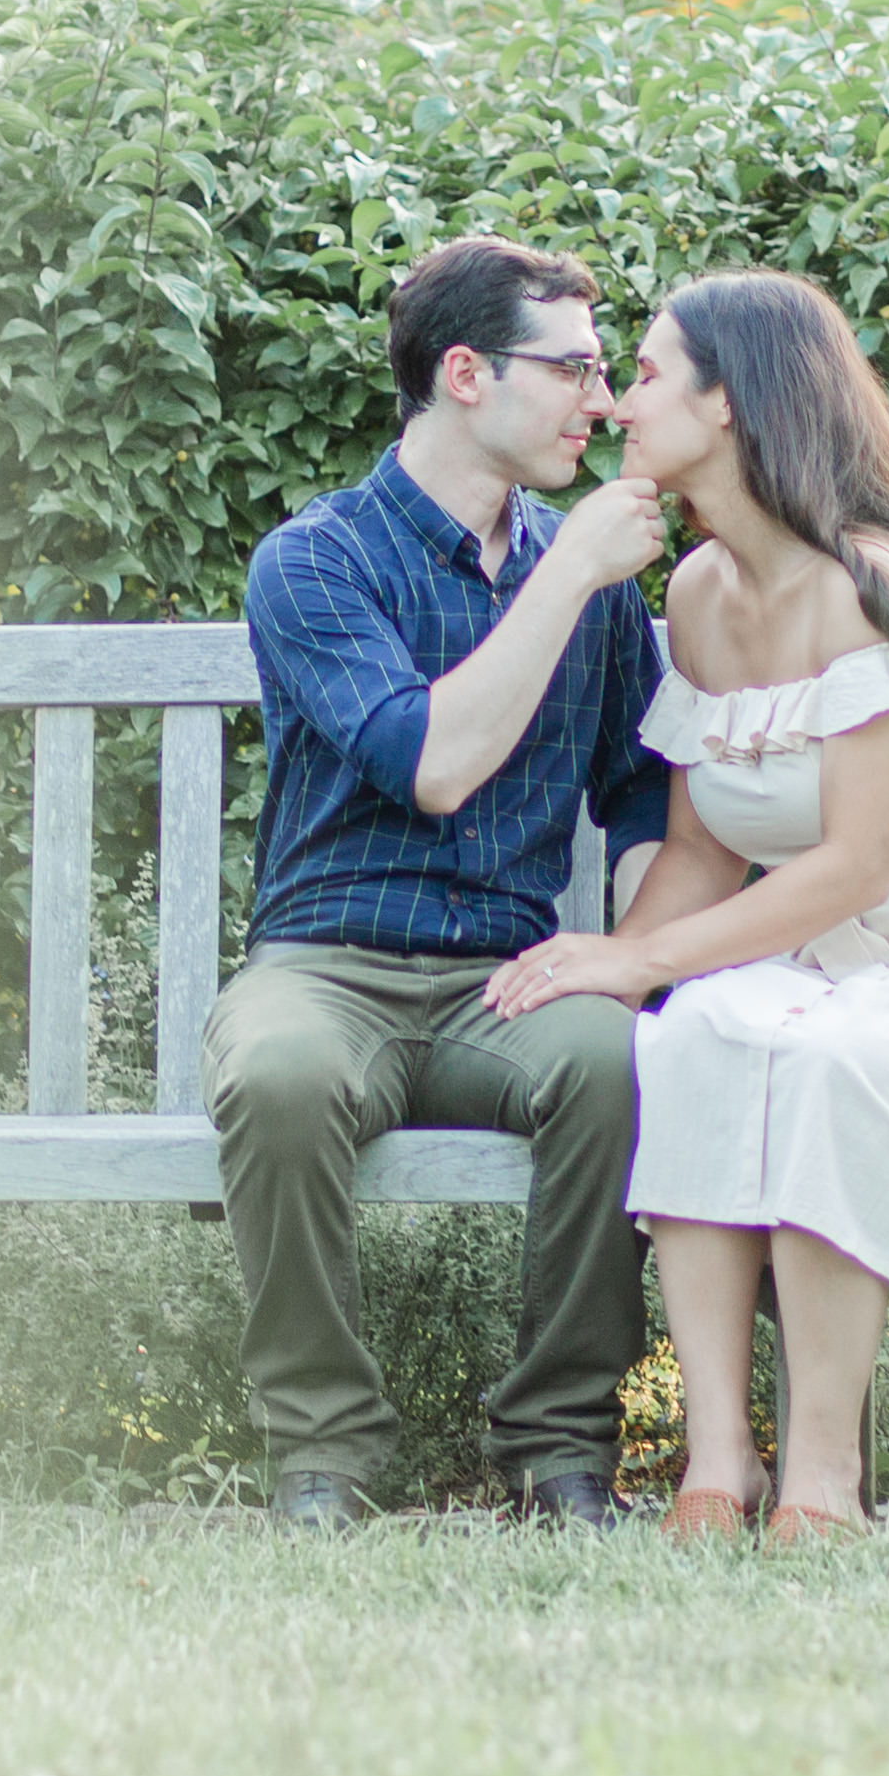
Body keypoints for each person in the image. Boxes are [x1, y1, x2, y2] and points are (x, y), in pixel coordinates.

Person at [481, 268, 889, 1540]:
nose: (615, 403)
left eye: (647, 373)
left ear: (731, 403)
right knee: (696, 1033)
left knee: (824, 1056)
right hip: (824, 959)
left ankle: (822, 1475)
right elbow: (711, 849)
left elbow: (852, 867)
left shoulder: (869, 584)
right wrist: (616, 962)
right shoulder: (700, 597)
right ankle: (718, 1464)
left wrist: (636, 953)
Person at [208, 237, 674, 1532]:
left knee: (622, 1058)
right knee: (279, 1075)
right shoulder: (315, 561)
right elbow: (428, 763)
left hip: (506, 979)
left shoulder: (583, 571)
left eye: (603, 368)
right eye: (572, 367)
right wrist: (572, 571)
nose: (602, 398)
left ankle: (563, 1449)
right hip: (327, 966)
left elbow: (641, 790)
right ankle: (321, 1454)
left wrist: (626, 954)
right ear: (464, 373)